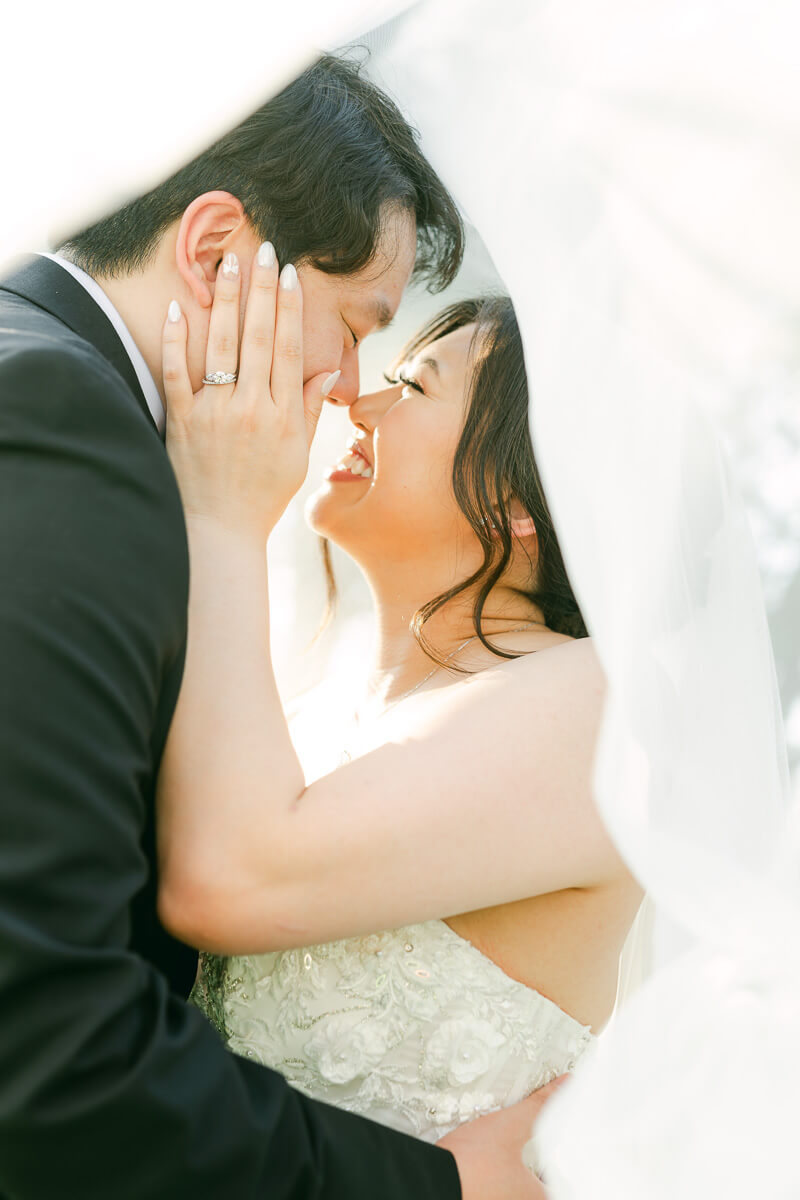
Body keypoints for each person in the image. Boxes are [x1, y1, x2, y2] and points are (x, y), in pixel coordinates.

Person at [0, 53, 550, 1200]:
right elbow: (44, 1033)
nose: (346, 385)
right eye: (355, 326)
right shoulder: (62, 430)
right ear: (213, 255)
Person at [156, 244, 645, 1156]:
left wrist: (221, 514)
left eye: (414, 387)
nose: (353, 398)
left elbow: (229, 879)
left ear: (523, 502)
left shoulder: (590, 708)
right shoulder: (311, 701)